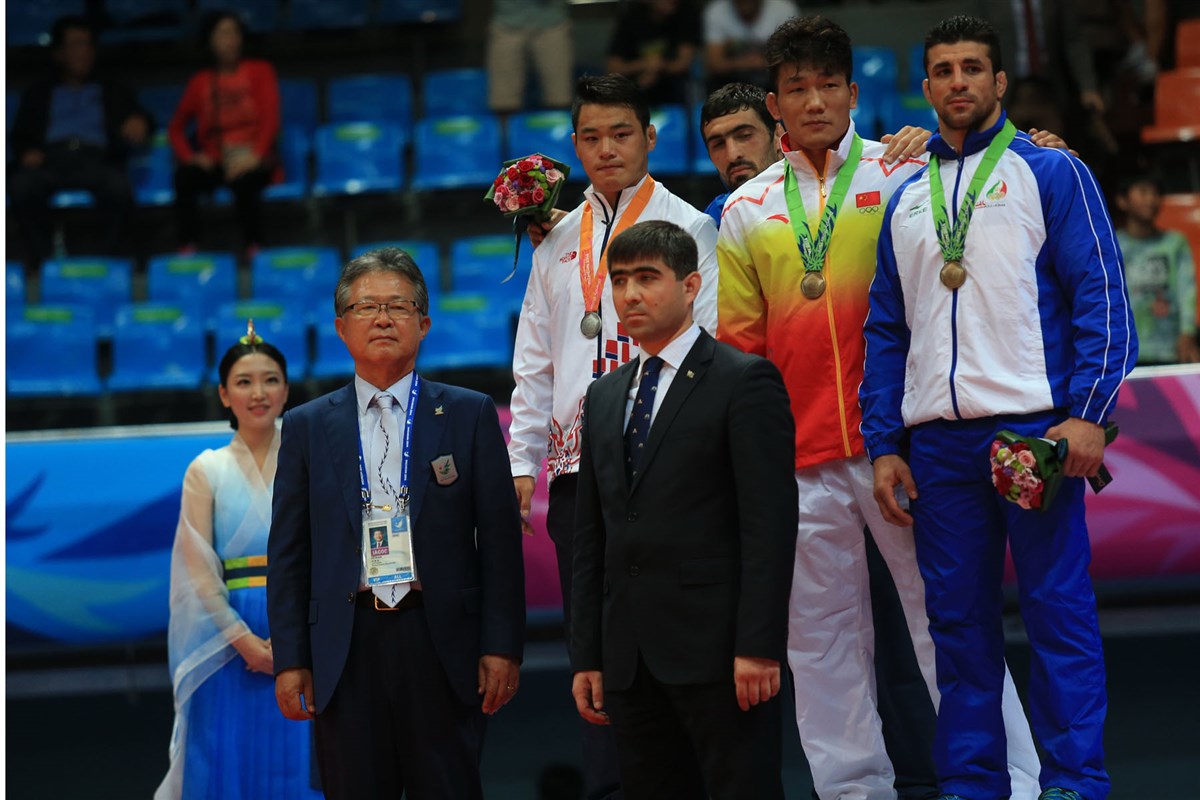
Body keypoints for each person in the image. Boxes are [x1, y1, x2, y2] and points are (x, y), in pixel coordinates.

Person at [717, 16, 1044, 800]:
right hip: (799, 461)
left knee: (946, 621)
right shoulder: (746, 209)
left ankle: (1014, 781)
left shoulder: (906, 171)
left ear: (853, 92)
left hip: (897, 446)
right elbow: (742, 353)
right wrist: (756, 468)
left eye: (828, 85)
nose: (815, 101)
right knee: (819, 643)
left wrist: (1043, 144)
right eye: (797, 88)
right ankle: (853, 791)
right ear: (774, 104)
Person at [862, 15, 1137, 800]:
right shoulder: (905, 198)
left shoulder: (1051, 172)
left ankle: (1074, 782)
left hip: (1031, 434)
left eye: (973, 67)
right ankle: (972, 783)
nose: (959, 81)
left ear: (999, 81)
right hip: (938, 446)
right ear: (925, 87)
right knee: (957, 626)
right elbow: (886, 330)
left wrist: (1089, 413)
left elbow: (1102, 296)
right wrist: (885, 443)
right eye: (944, 70)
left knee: (1056, 612)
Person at [509, 72, 718, 800]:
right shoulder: (554, 240)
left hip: (668, 469)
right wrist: (521, 463)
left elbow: (705, 346)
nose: (607, 149)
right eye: (592, 137)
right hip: (578, 472)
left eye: (621, 133)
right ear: (574, 145)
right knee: (593, 648)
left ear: (650, 137)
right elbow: (534, 360)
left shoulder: (690, 227)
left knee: (674, 633)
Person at [267, 248, 525, 799]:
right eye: (366, 307)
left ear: (424, 323)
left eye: (398, 306)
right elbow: (289, 553)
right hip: (345, 644)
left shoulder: (469, 413)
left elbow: (500, 543)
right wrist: (291, 659)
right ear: (341, 327)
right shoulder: (306, 427)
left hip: (441, 640)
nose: (382, 318)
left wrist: (502, 645)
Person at [570, 220, 798, 799]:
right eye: (620, 280)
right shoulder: (602, 394)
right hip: (629, 659)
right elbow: (591, 538)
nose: (630, 295)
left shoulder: (744, 380)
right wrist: (588, 656)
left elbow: (769, 528)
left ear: (691, 285)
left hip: (721, 653)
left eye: (647, 278)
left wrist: (759, 645)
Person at [157, 332, 322, 800]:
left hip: (302, 622)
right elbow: (198, 571)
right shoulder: (206, 469)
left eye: (271, 380)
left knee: (300, 759)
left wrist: (296, 639)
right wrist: (245, 643)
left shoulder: (312, 459)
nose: (258, 393)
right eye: (244, 382)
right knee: (227, 760)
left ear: (286, 390)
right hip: (227, 636)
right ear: (224, 394)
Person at [9, 15, 150, 267]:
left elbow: (142, 118)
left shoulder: (111, 87)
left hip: (96, 160)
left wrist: (140, 122)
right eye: (75, 45)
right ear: (58, 53)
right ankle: (42, 261)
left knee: (119, 188)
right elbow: (19, 135)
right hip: (51, 160)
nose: (83, 52)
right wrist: (27, 151)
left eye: (87, 44)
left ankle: (107, 260)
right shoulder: (39, 92)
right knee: (21, 186)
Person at [169, 11, 279, 256]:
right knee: (184, 177)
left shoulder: (260, 71)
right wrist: (190, 157)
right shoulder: (200, 82)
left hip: (252, 157)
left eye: (234, 33)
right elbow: (175, 128)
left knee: (245, 181)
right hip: (216, 159)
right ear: (210, 41)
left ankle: (255, 247)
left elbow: (270, 120)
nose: (230, 40)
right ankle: (188, 246)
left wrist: (256, 155)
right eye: (222, 34)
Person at [1114, 174, 1199, 365]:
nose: (1151, 200)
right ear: (1122, 201)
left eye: (1155, 194)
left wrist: (1187, 333)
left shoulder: (1174, 243)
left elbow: (1187, 290)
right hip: (1124, 352)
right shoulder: (1113, 245)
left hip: (1170, 350)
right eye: (1143, 192)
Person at [698, 82, 782, 227]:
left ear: (778, 135)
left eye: (745, 136)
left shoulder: (817, 194)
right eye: (718, 144)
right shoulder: (715, 219)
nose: (732, 155)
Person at [606, 0, 701, 107]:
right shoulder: (630, 17)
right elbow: (613, 67)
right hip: (635, 89)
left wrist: (659, 66)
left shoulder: (686, 12)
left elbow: (683, 63)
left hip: (674, 90)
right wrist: (645, 65)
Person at [487, 0, 573, 114]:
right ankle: (504, 124)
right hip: (507, 22)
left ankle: (559, 124)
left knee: (560, 95)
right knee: (503, 101)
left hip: (552, 22)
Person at [703, 0, 798, 93]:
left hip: (772, 81)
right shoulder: (716, 11)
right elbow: (714, 64)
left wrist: (762, 62)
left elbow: (793, 59)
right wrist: (747, 63)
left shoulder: (784, 9)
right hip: (732, 83)